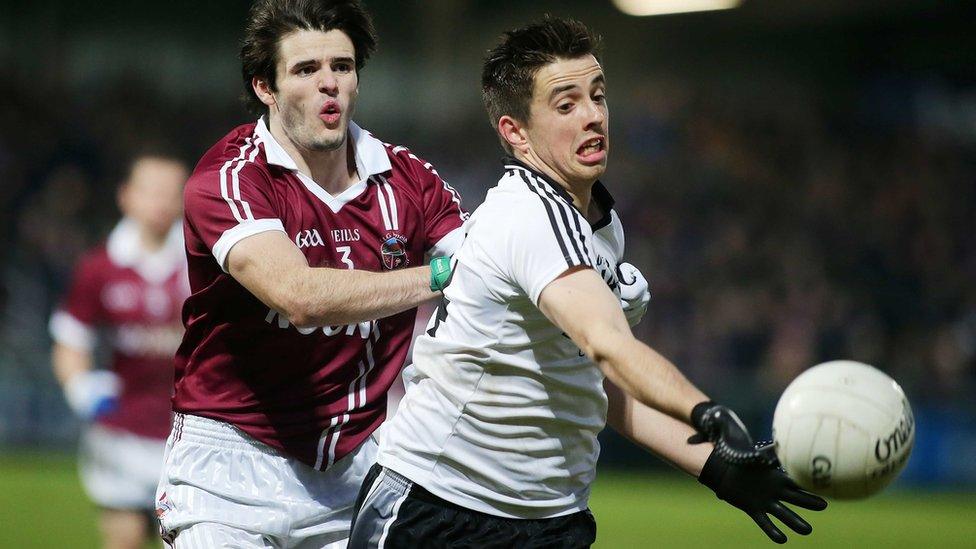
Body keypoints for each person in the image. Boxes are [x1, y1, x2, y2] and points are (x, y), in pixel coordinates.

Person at [349, 17, 827, 548]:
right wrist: (705, 412)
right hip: (439, 512)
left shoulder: (599, 226)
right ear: (515, 133)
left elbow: (596, 386)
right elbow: (607, 347)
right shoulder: (528, 217)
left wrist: (715, 468)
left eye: (598, 96)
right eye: (566, 104)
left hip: (552, 518)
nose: (594, 116)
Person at [153, 1, 468, 547]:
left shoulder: (410, 179)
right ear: (265, 88)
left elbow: (491, 266)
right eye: (305, 70)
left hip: (357, 468)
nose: (329, 84)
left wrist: (584, 269)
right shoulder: (228, 178)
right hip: (232, 463)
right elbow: (299, 296)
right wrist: (440, 276)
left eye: (341, 67)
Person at [50, 152, 189, 549]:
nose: (161, 202)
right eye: (151, 191)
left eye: (171, 192)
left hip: (190, 434)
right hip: (121, 434)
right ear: (126, 196)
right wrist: (80, 388)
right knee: (123, 539)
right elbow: (70, 340)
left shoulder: (205, 262)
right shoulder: (100, 267)